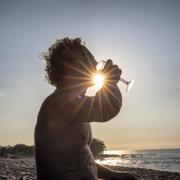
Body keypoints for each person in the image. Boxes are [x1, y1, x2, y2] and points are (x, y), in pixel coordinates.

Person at [34, 37, 137, 180]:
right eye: (91, 59)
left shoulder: (75, 103)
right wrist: (110, 82)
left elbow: (82, 161)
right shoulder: (60, 101)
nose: (96, 63)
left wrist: (115, 175)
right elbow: (108, 108)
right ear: (71, 67)